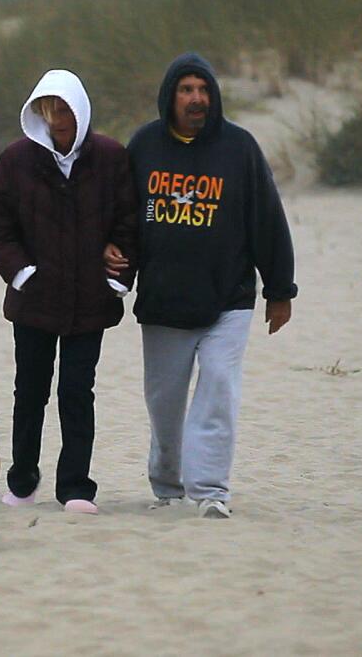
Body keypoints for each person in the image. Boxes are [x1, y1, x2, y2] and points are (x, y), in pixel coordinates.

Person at [105, 52, 296, 519]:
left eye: (204, 90)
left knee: (217, 388)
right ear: (169, 96)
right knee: (164, 405)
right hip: (164, 300)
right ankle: (168, 485)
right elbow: (125, 218)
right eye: (186, 89)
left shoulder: (240, 148)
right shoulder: (145, 145)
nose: (196, 99)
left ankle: (211, 491)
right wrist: (113, 258)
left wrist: (280, 289)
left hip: (228, 299)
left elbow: (267, 219)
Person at [0, 69, 137, 515]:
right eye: (49, 110)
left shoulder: (110, 157)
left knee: (76, 392)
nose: (58, 119)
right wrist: (23, 274)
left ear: (81, 110)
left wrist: (117, 277)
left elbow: (129, 225)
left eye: (65, 109)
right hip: (34, 302)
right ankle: (23, 482)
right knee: (29, 392)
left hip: (91, 301)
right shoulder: (16, 160)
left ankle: (75, 489)